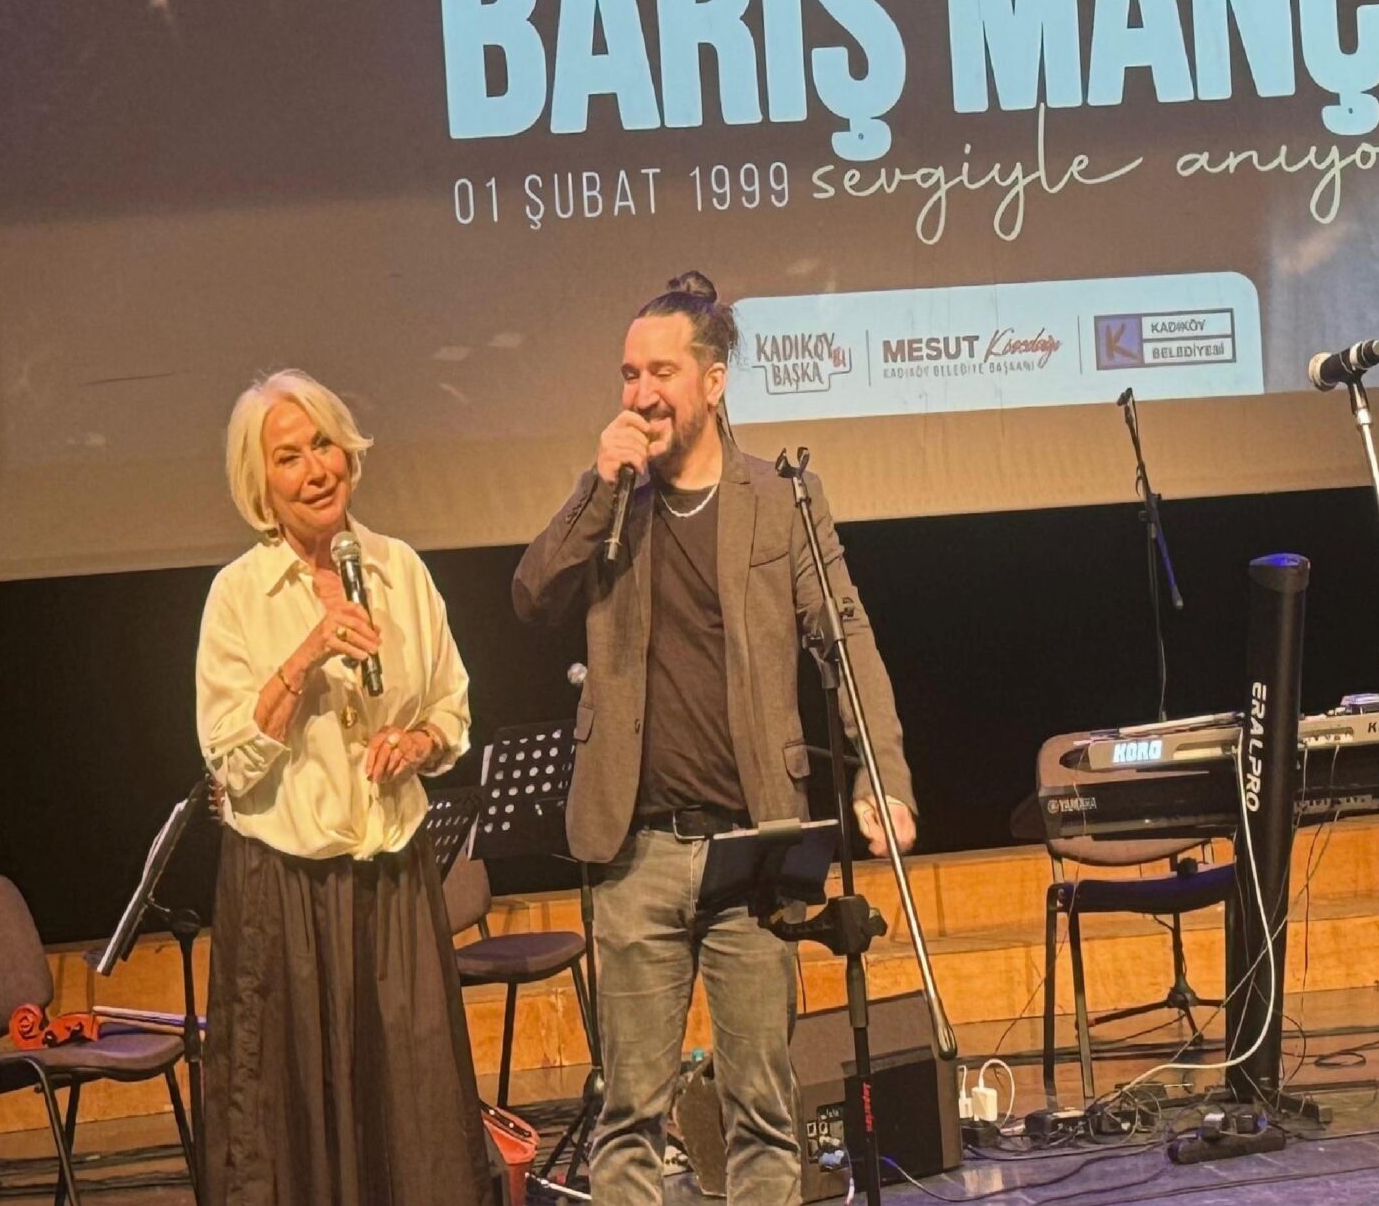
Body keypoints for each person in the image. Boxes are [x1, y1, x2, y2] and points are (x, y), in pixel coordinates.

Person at [512, 272, 917, 1206]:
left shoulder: (782, 497)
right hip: (636, 849)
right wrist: (597, 484)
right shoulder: (611, 503)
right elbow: (532, 595)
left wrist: (883, 775)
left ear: (713, 380)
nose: (640, 392)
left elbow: (845, 637)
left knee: (763, 1116)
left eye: (660, 371)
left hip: (753, 850)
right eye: (628, 373)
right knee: (629, 1120)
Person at [193, 369, 491, 1206]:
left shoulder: (399, 568)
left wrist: (417, 741)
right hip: (284, 891)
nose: (316, 469)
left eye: (323, 444)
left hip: (394, 880)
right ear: (261, 484)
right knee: (292, 1127)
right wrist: (308, 652)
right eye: (288, 457)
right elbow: (230, 762)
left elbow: (451, 706)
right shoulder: (238, 596)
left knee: (415, 1117)